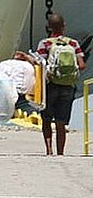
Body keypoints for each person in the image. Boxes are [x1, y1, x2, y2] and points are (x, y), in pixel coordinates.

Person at [34, 14, 86, 155]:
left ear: (49, 27)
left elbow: (40, 64)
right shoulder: (73, 44)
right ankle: (60, 152)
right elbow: (82, 65)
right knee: (61, 122)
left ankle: (49, 150)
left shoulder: (45, 43)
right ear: (64, 25)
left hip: (50, 85)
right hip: (68, 86)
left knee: (46, 119)